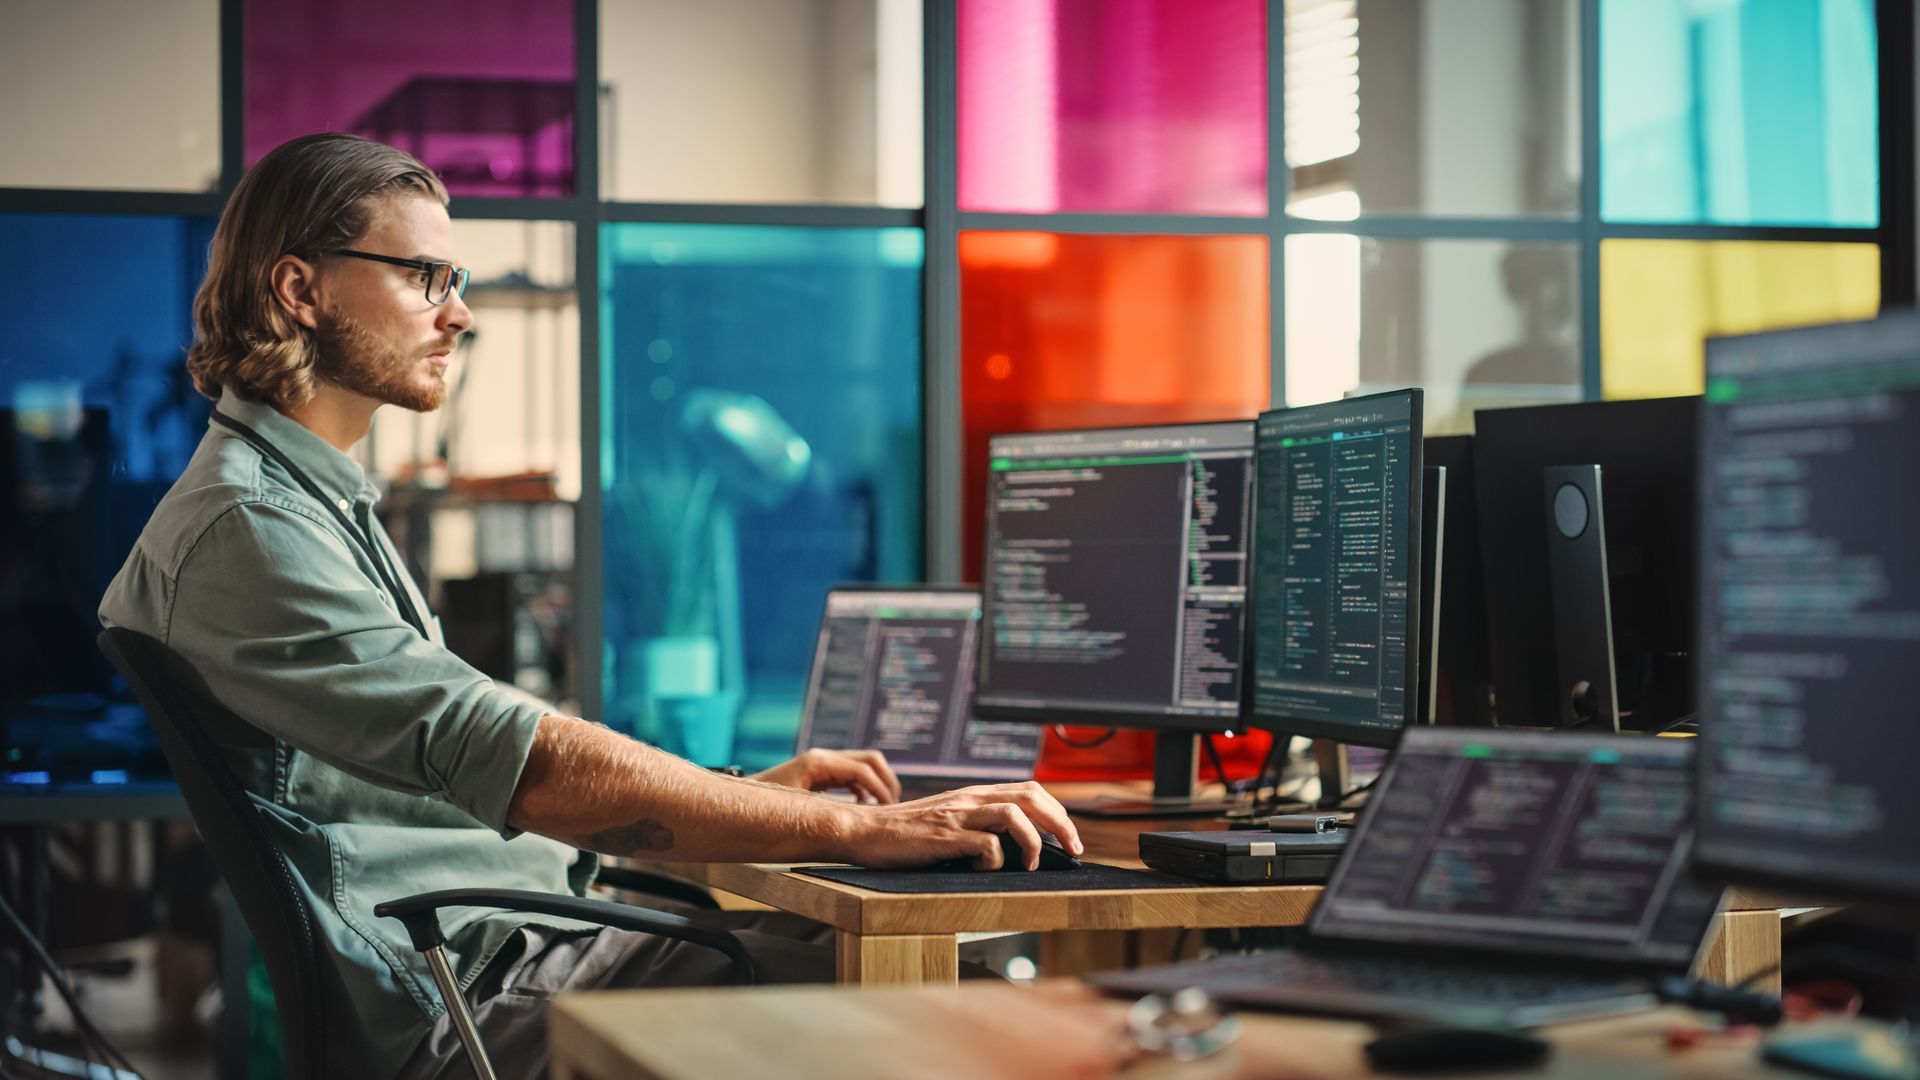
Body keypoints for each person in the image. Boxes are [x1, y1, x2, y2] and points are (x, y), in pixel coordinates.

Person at [98, 133, 1080, 1079]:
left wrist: (754, 798)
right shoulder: (249, 526)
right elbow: (524, 760)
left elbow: (434, 783)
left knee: (901, 962)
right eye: (424, 277)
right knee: (961, 1004)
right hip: (480, 1000)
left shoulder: (305, 499)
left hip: (525, 949)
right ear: (300, 288)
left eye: (458, 283)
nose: (459, 314)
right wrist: (858, 830)